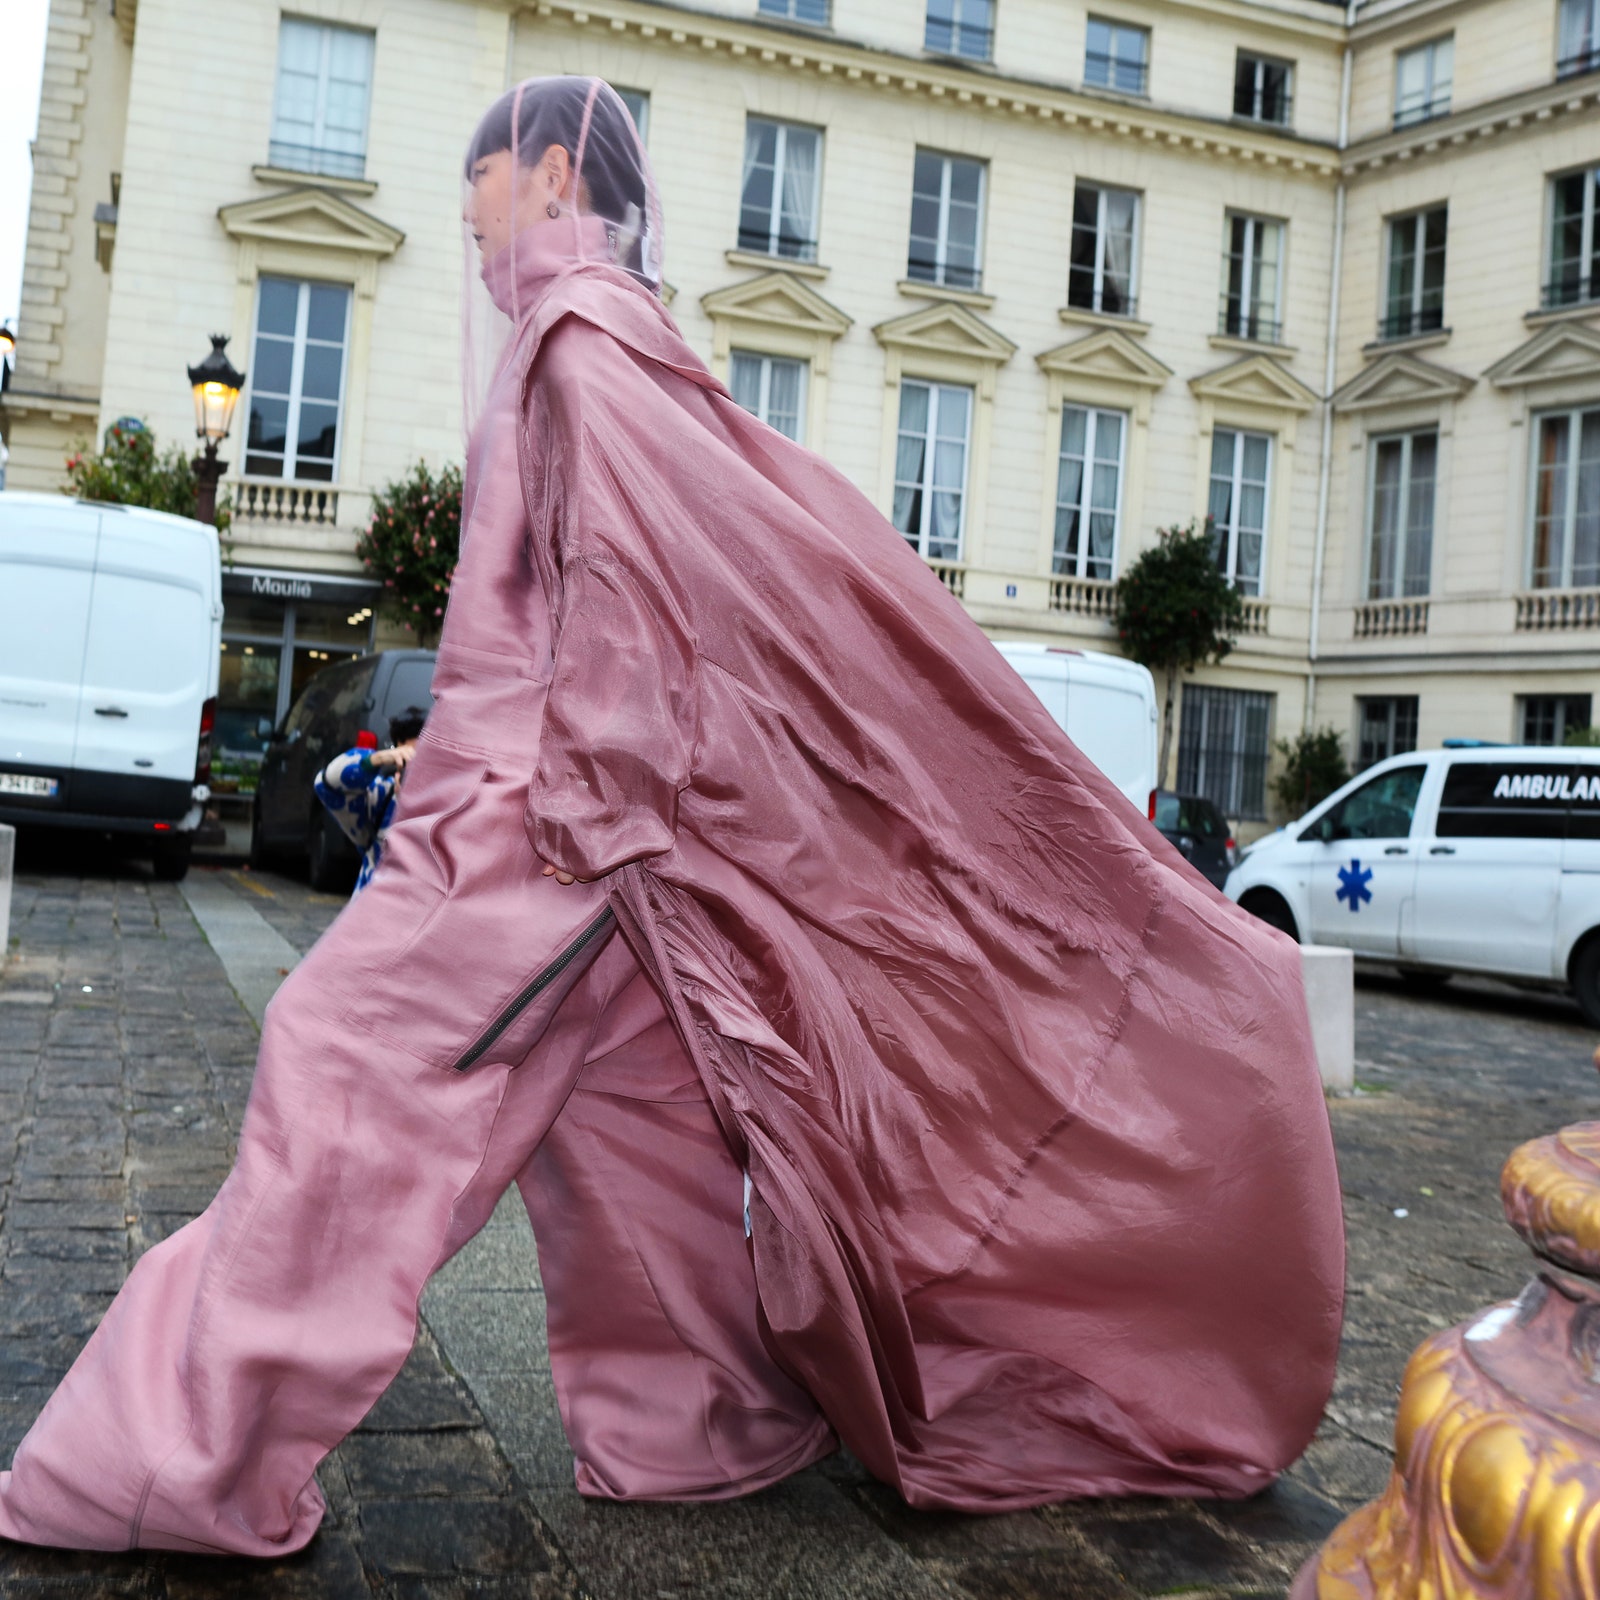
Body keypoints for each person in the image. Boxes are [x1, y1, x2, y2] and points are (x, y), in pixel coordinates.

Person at [0, 77, 1344, 1556]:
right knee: (637, 1130)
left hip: (542, 845)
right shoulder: (622, 343)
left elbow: (624, 618)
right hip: (593, 841)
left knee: (339, 1102)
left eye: (483, 178)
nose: (465, 211)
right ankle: (703, 1428)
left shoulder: (575, 344)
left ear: (557, 169)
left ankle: (170, 1469)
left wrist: (530, 810)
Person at [313, 707, 429, 894]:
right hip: (374, 916)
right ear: (399, 750)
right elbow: (326, 785)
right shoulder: (383, 797)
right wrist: (375, 760)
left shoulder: (458, 805)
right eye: (414, 760)